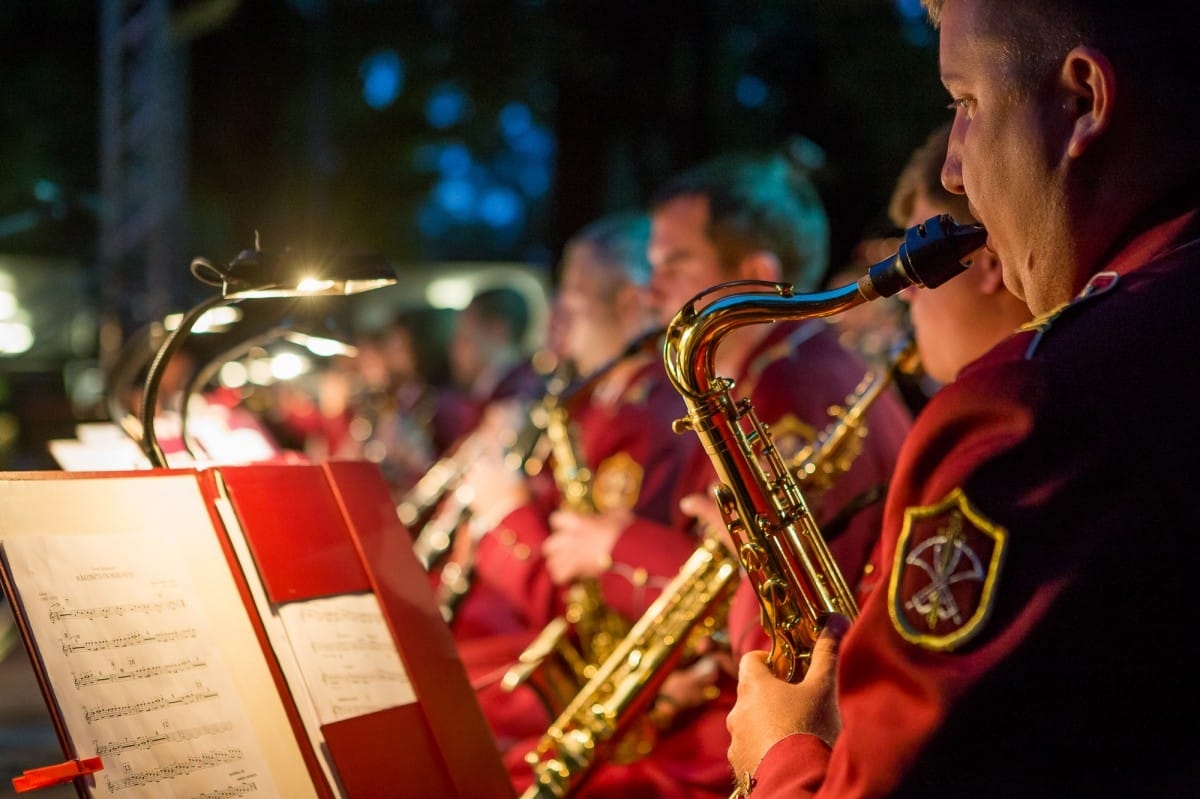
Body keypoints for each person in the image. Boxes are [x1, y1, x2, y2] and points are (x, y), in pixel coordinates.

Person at [725, 2, 1200, 797]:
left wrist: (785, 750)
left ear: (1083, 99)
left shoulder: (1032, 405)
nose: (952, 168)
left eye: (967, 104)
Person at [446, 212, 704, 765]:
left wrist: (506, 517)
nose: (555, 320)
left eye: (575, 298)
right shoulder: (596, 403)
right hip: (556, 656)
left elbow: (586, 604)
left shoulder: (654, 417)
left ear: (632, 305)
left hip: (625, 701)